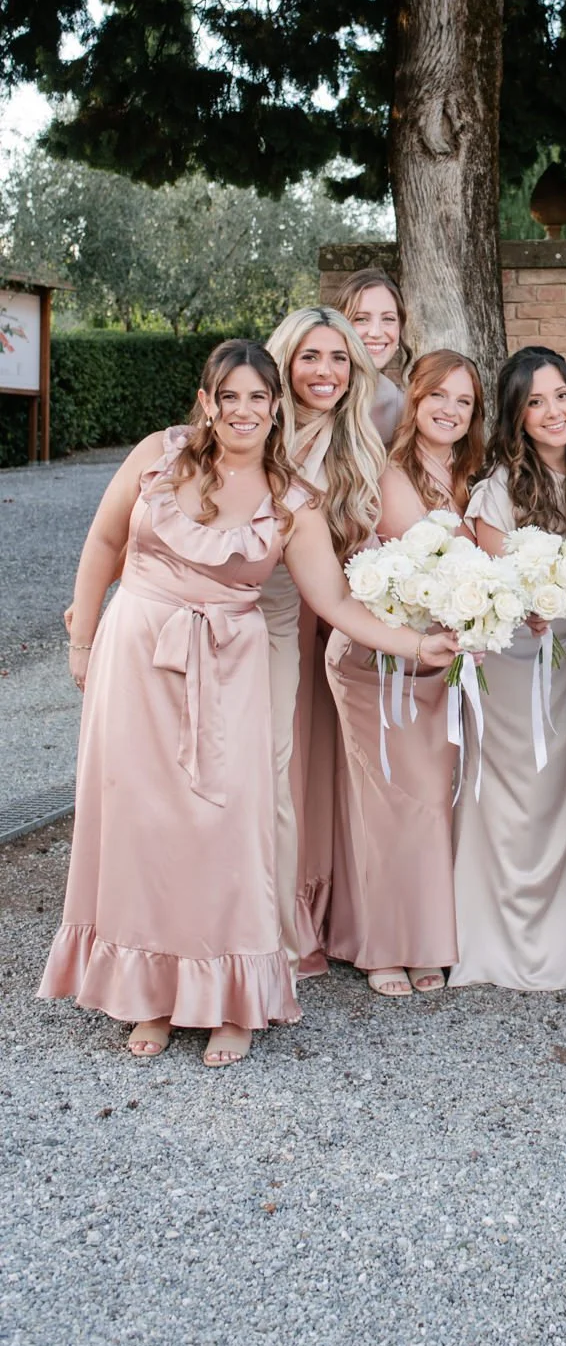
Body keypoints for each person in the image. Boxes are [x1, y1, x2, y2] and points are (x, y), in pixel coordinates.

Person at [39, 341, 453, 1066]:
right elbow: (103, 542)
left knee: (225, 829)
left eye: (257, 398)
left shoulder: (291, 500)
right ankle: (150, 995)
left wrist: (417, 643)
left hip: (229, 668)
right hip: (134, 660)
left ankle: (230, 999)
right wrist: (82, 641)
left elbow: (334, 601)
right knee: (142, 825)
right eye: (228, 396)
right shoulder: (158, 456)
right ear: (206, 402)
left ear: (274, 407)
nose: (242, 410)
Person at [325, 349, 486, 997]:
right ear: (414, 401)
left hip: (437, 664)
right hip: (378, 662)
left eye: (464, 401)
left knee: (430, 803)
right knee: (387, 803)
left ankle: (426, 940)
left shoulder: (474, 477)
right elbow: (438, 564)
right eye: (438, 396)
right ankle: (382, 944)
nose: (450, 410)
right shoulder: (393, 474)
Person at [454, 347, 566, 990]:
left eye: (561, 395)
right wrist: (535, 605)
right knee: (520, 792)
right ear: (516, 415)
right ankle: (503, 939)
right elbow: (502, 586)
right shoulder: (497, 489)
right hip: (518, 658)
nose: (553, 411)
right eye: (535, 402)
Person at [261, 307, 385, 975]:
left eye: (339, 358)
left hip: (319, 623)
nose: (326, 372)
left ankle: (295, 915)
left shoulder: (357, 447)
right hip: (242, 614)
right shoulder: (251, 428)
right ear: (284, 362)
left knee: (299, 770)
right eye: (310, 356)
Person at [332, 268, 411, 446]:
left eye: (388, 319)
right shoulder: (317, 394)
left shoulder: (406, 408)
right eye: (361, 319)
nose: (376, 332)